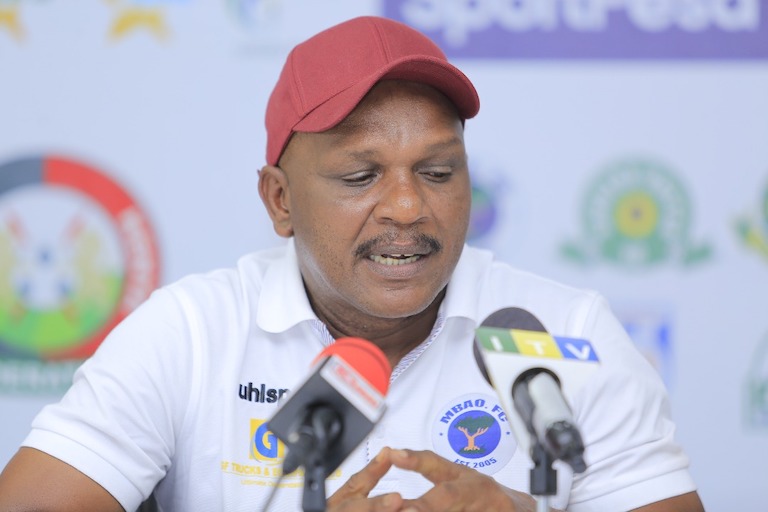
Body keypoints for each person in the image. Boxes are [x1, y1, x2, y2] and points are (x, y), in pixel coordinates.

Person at [0, 15, 704, 512]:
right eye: (360, 176)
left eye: (436, 170)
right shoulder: (190, 334)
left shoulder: (561, 332)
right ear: (280, 201)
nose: (407, 207)